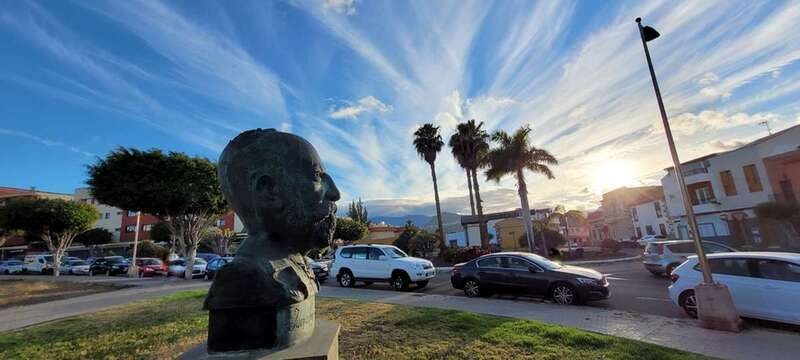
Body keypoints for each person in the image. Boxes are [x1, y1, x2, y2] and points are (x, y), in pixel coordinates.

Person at [204, 129, 340, 352]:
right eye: (316, 176)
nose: (335, 193)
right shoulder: (244, 278)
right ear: (269, 191)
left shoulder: (297, 263)